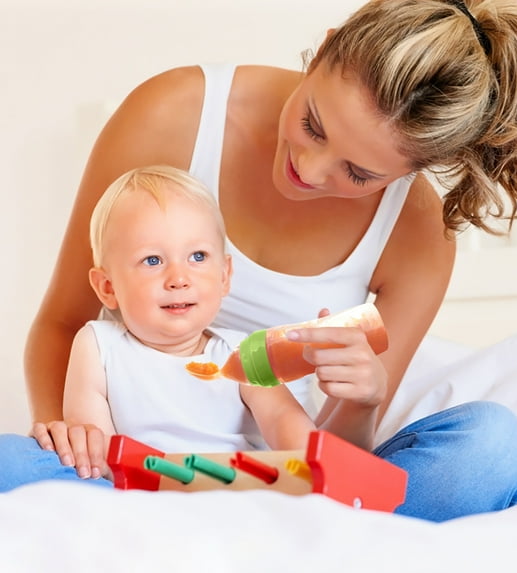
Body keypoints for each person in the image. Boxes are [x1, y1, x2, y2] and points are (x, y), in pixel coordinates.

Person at [20, 0, 517, 520]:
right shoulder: (173, 115)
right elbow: (63, 323)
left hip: (279, 483)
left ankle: (278, 540)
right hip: (129, 473)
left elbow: (330, 464)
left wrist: (362, 401)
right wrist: (76, 456)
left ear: (411, 170)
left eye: (359, 173)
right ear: (321, 53)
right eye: (314, 125)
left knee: (492, 447)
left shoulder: (416, 232)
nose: (310, 170)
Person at [1, 165, 316, 488]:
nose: (179, 278)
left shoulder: (244, 352)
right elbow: (94, 449)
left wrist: (313, 465)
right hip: (134, 485)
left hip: (232, 486)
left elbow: (282, 418)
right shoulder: (97, 344)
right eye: (152, 260)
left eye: (198, 256)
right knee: (9, 457)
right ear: (108, 287)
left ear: (224, 275)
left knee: (304, 470)